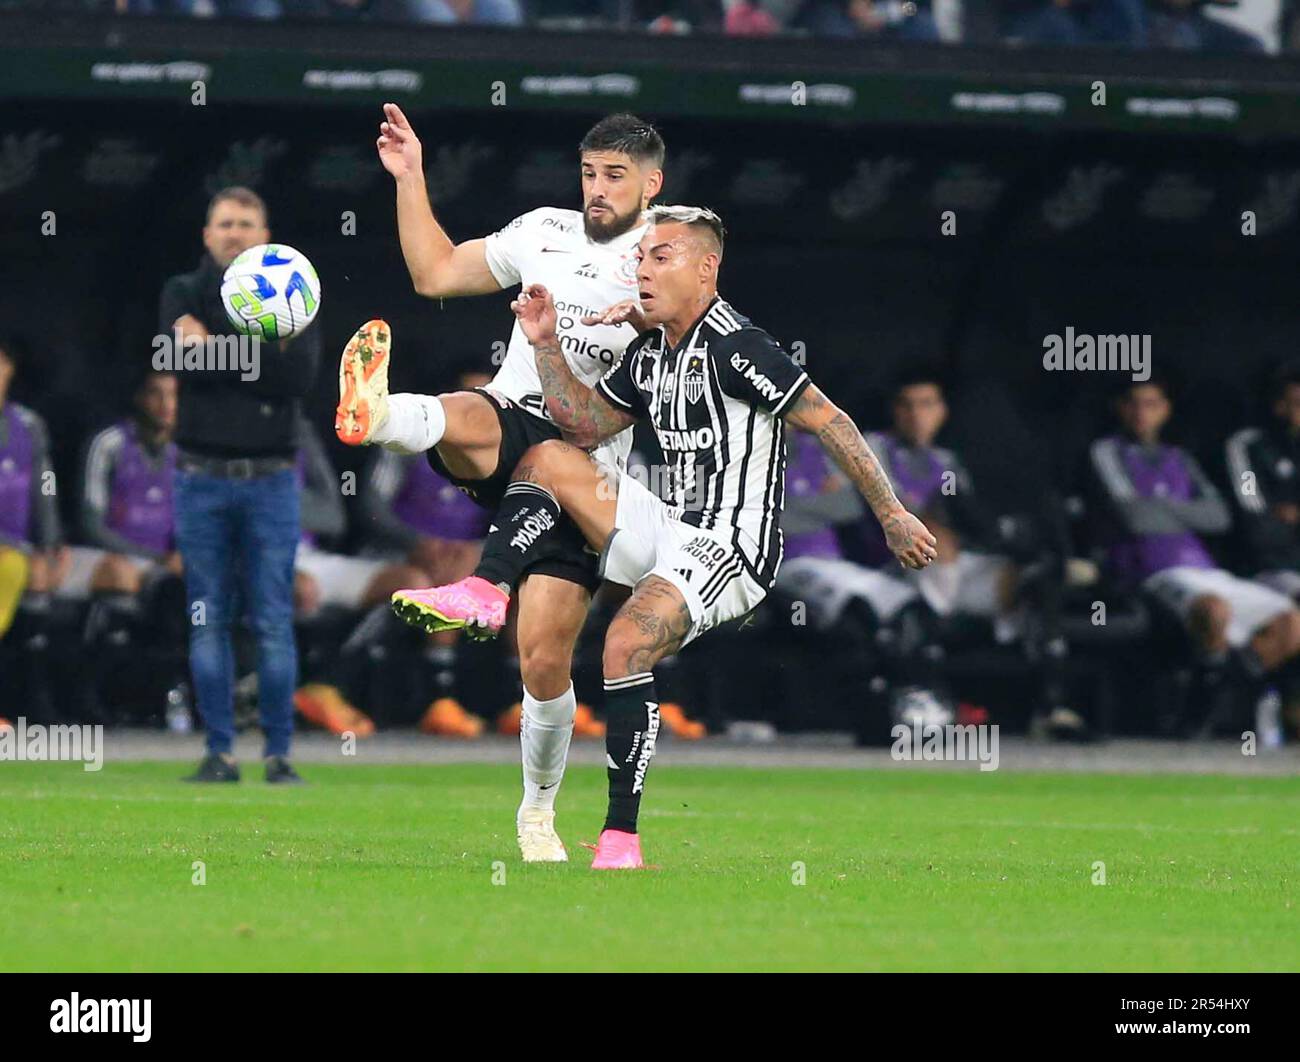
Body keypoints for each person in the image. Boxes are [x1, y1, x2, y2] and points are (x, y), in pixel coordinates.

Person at [390, 206, 936, 868]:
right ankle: (488, 586)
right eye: (643, 257)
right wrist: (543, 346)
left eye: (662, 257)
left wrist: (892, 513)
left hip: (732, 546)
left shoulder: (739, 347)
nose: (643, 269)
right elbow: (584, 424)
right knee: (552, 457)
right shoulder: (651, 354)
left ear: (707, 269)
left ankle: (621, 837)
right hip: (672, 525)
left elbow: (832, 420)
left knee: (624, 641)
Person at [335, 107, 663, 860]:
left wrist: (646, 308)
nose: (597, 190)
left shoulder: (664, 257)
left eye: (615, 176)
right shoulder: (542, 231)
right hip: (509, 430)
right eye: (589, 174)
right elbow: (435, 272)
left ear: (652, 184)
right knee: (473, 412)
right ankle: (379, 413)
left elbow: (615, 401)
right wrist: (411, 175)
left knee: (543, 662)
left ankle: (537, 816)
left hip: (585, 471)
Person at [159, 185, 322, 784]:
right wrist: (260, 351)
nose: (234, 232)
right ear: (207, 234)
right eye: (224, 223)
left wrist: (216, 350)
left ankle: (279, 755)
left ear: (265, 233)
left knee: (273, 619)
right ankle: (219, 753)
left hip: (271, 481)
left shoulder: (294, 286)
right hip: (199, 480)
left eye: (246, 223)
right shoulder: (183, 290)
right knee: (207, 617)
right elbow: (175, 360)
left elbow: (299, 378)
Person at [1089, 378, 1300, 725]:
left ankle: (1218, 683)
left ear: (1166, 410)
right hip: (1153, 570)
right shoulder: (1107, 451)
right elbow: (1133, 516)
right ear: (1121, 408)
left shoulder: (1180, 458)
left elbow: (1218, 517)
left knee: (1290, 622)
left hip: (1206, 570)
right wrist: (1182, 513)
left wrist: (1159, 508)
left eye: (1152, 403)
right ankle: (1207, 702)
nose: (1142, 412)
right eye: (1134, 403)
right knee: (1213, 611)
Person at [0, 339, 62, 724]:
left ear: (9, 369)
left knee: (25, 574)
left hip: (18, 547)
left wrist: (50, 545)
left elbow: (47, 485)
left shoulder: (29, 425)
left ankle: (37, 704)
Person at [1225, 363, 1300, 602]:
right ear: (1279, 405)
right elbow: (1255, 519)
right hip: (1272, 569)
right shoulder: (1245, 446)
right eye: (1298, 403)